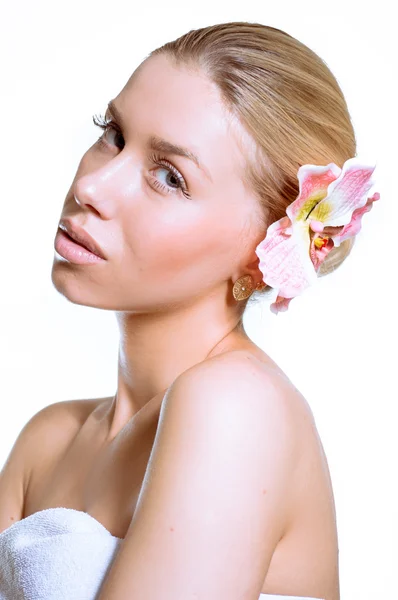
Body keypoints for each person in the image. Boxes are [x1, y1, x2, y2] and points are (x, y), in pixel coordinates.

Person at [0, 21, 379, 600]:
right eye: (114, 134)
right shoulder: (47, 441)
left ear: (264, 252)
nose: (94, 186)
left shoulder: (237, 405)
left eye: (170, 177)